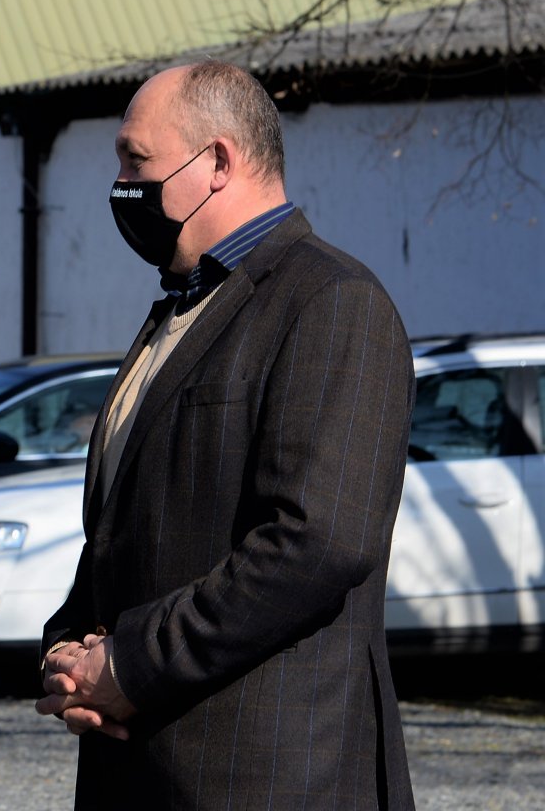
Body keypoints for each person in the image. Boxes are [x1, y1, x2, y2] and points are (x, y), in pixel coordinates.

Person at [37, 61, 416, 808]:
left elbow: (317, 545)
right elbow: (126, 530)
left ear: (216, 161)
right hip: (139, 771)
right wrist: (68, 651)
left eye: (134, 161)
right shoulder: (180, 310)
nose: (118, 183)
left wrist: (133, 665)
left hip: (264, 776)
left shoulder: (333, 303)